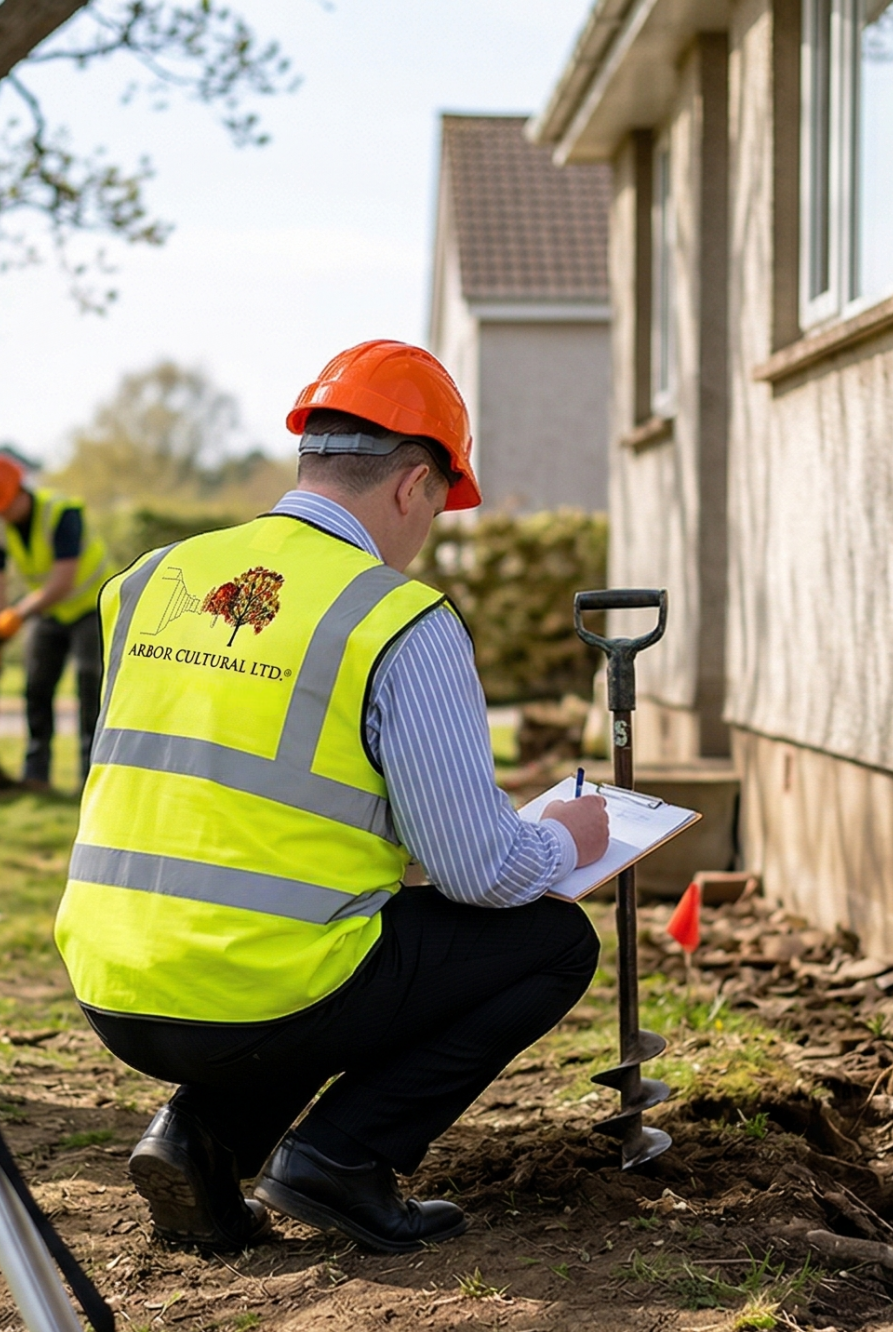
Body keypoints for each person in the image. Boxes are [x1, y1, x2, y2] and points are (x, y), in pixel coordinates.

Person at [51, 340, 613, 1256]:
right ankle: (342, 1158)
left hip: (112, 979)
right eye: (437, 507)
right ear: (414, 485)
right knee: (549, 943)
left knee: (340, 938)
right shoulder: (397, 617)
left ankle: (197, 1138)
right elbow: (481, 872)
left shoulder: (151, 580)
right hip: (254, 992)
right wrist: (563, 838)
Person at [0, 454, 109, 790]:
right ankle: (36, 774)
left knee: (89, 684)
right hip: (46, 611)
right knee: (36, 686)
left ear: (20, 491)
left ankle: (89, 775)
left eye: (4, 505)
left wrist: (17, 615)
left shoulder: (62, 514)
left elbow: (63, 580)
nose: (0, 513)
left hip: (90, 606)